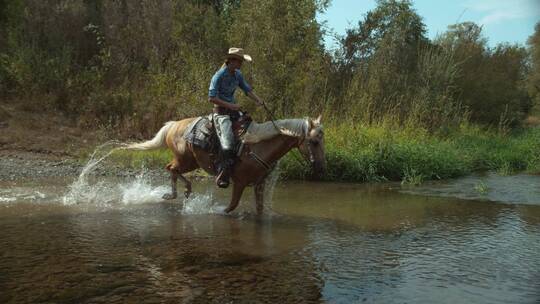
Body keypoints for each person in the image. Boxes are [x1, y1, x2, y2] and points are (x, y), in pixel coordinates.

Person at [208, 47, 264, 188]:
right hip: (221, 113)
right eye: (239, 61)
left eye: (241, 62)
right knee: (227, 145)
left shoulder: (237, 74)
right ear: (231, 61)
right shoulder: (219, 75)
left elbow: (247, 90)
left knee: (250, 130)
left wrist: (258, 100)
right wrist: (230, 106)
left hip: (233, 111)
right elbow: (211, 97)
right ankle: (223, 174)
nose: (240, 64)